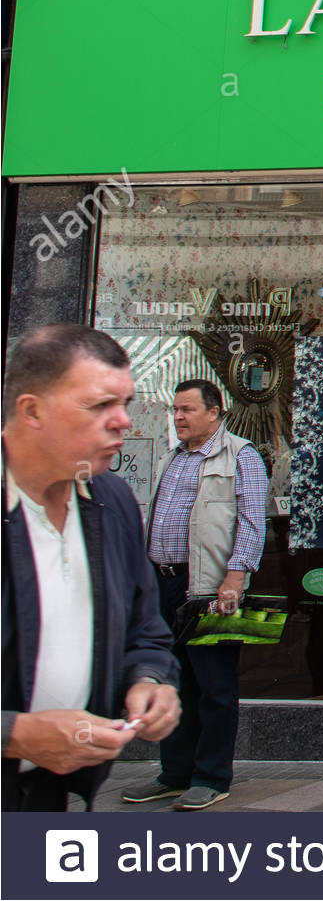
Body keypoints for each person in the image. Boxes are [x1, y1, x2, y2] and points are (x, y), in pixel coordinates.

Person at [2, 324, 180, 811]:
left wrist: (149, 679)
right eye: (100, 405)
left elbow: (145, 628)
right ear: (32, 410)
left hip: (54, 791)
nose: (123, 421)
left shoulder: (111, 499)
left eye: (125, 402)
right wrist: (14, 735)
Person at [121, 379, 267, 811]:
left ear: (215, 411)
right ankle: (174, 774)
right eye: (175, 409)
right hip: (162, 584)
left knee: (214, 686)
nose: (178, 417)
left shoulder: (242, 456)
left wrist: (235, 579)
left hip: (209, 587)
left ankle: (211, 777)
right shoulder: (173, 457)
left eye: (187, 409)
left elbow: (252, 523)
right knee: (174, 682)